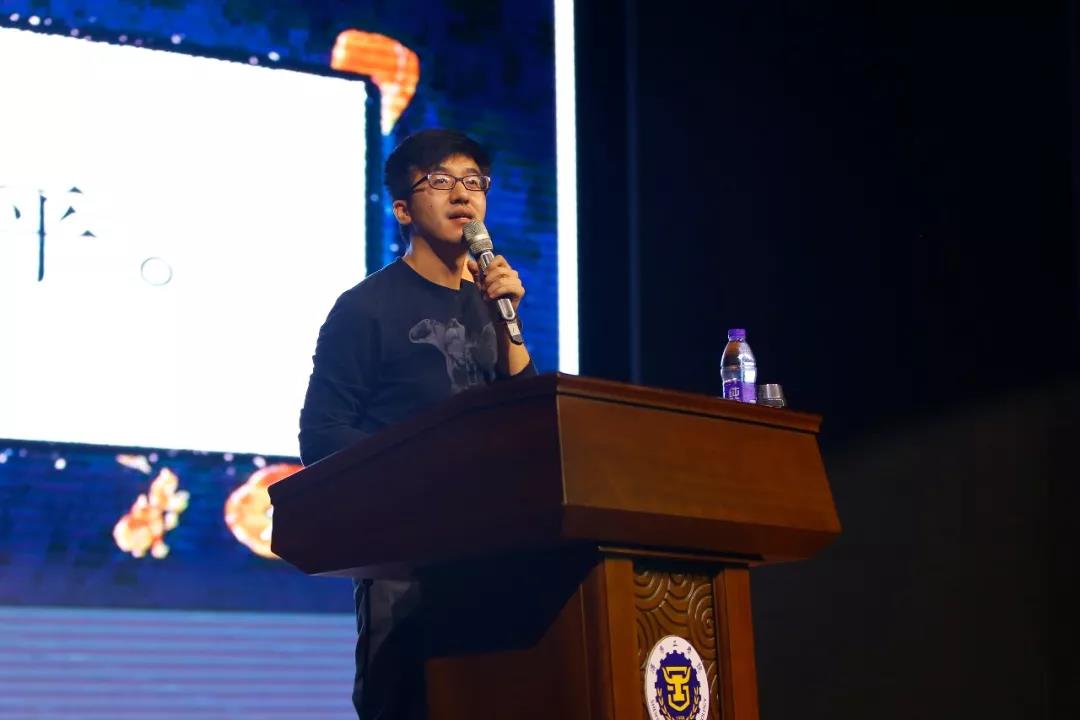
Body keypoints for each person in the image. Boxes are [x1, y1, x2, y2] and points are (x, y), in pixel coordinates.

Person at [298, 128, 537, 719]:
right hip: (406, 560)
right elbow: (322, 434)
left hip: (495, 551)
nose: (463, 194)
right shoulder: (365, 308)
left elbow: (529, 425)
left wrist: (508, 324)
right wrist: (422, 480)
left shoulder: (490, 301)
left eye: (474, 182)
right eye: (440, 181)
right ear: (403, 209)